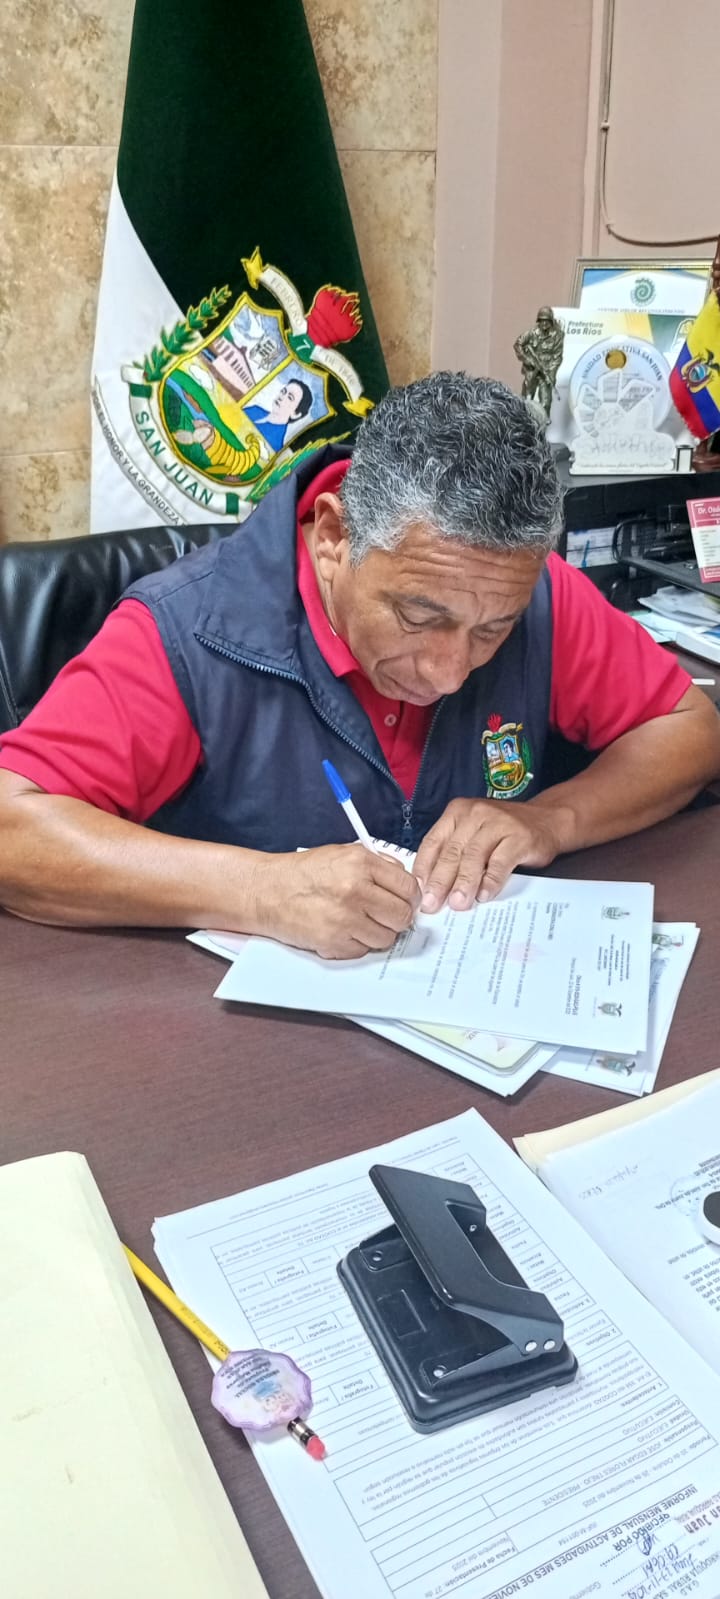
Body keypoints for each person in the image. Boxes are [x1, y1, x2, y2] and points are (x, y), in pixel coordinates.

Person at [1, 373, 719, 961]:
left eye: (490, 631)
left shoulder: (527, 592)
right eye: (418, 616)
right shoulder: (188, 630)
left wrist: (549, 819)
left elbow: (689, 727)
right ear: (333, 536)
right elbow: (13, 827)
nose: (450, 672)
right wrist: (260, 891)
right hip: (235, 1050)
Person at [513, 308, 564, 417]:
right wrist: (527, 360)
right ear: (538, 321)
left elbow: (557, 357)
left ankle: (544, 421)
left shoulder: (557, 336)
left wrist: (551, 375)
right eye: (542, 320)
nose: (544, 323)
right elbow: (518, 345)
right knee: (526, 399)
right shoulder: (531, 333)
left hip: (546, 371)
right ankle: (523, 419)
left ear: (551, 321)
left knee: (546, 402)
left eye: (547, 320)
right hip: (531, 370)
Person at [244, 378, 313, 450]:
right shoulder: (255, 409)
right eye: (283, 391)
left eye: (289, 398)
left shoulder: (274, 443)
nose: (281, 397)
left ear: (296, 414)